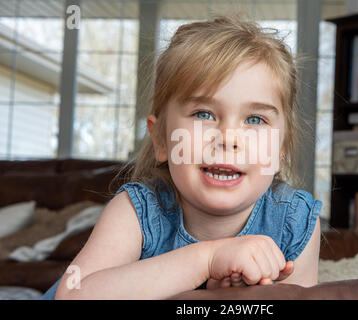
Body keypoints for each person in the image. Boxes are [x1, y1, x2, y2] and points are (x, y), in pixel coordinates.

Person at [41, 13, 322, 300]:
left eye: (255, 119)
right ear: (161, 139)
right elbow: (73, 295)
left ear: (280, 150)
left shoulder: (294, 221)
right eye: (204, 114)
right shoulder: (139, 210)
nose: (228, 138)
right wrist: (207, 260)